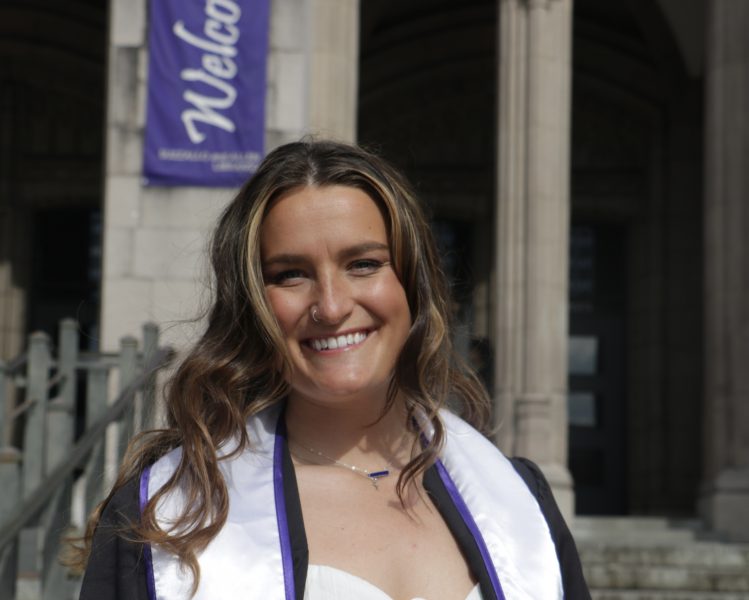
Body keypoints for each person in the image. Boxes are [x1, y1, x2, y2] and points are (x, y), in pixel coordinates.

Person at [76, 140, 590, 600]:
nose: (331, 305)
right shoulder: (167, 518)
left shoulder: (518, 504)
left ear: (412, 283)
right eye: (291, 274)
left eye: (363, 264)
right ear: (253, 305)